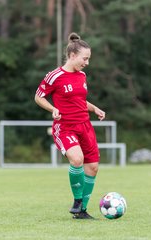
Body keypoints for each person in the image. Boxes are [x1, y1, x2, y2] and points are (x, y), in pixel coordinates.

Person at [34, 32, 105, 219]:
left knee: (93, 168)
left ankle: (82, 211)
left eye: (89, 59)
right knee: (77, 159)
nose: (87, 63)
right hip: (65, 127)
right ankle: (77, 200)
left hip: (85, 126)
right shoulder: (54, 76)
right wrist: (52, 109)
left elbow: (80, 101)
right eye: (85, 58)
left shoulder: (82, 76)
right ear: (73, 55)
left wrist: (95, 108)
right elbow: (38, 96)